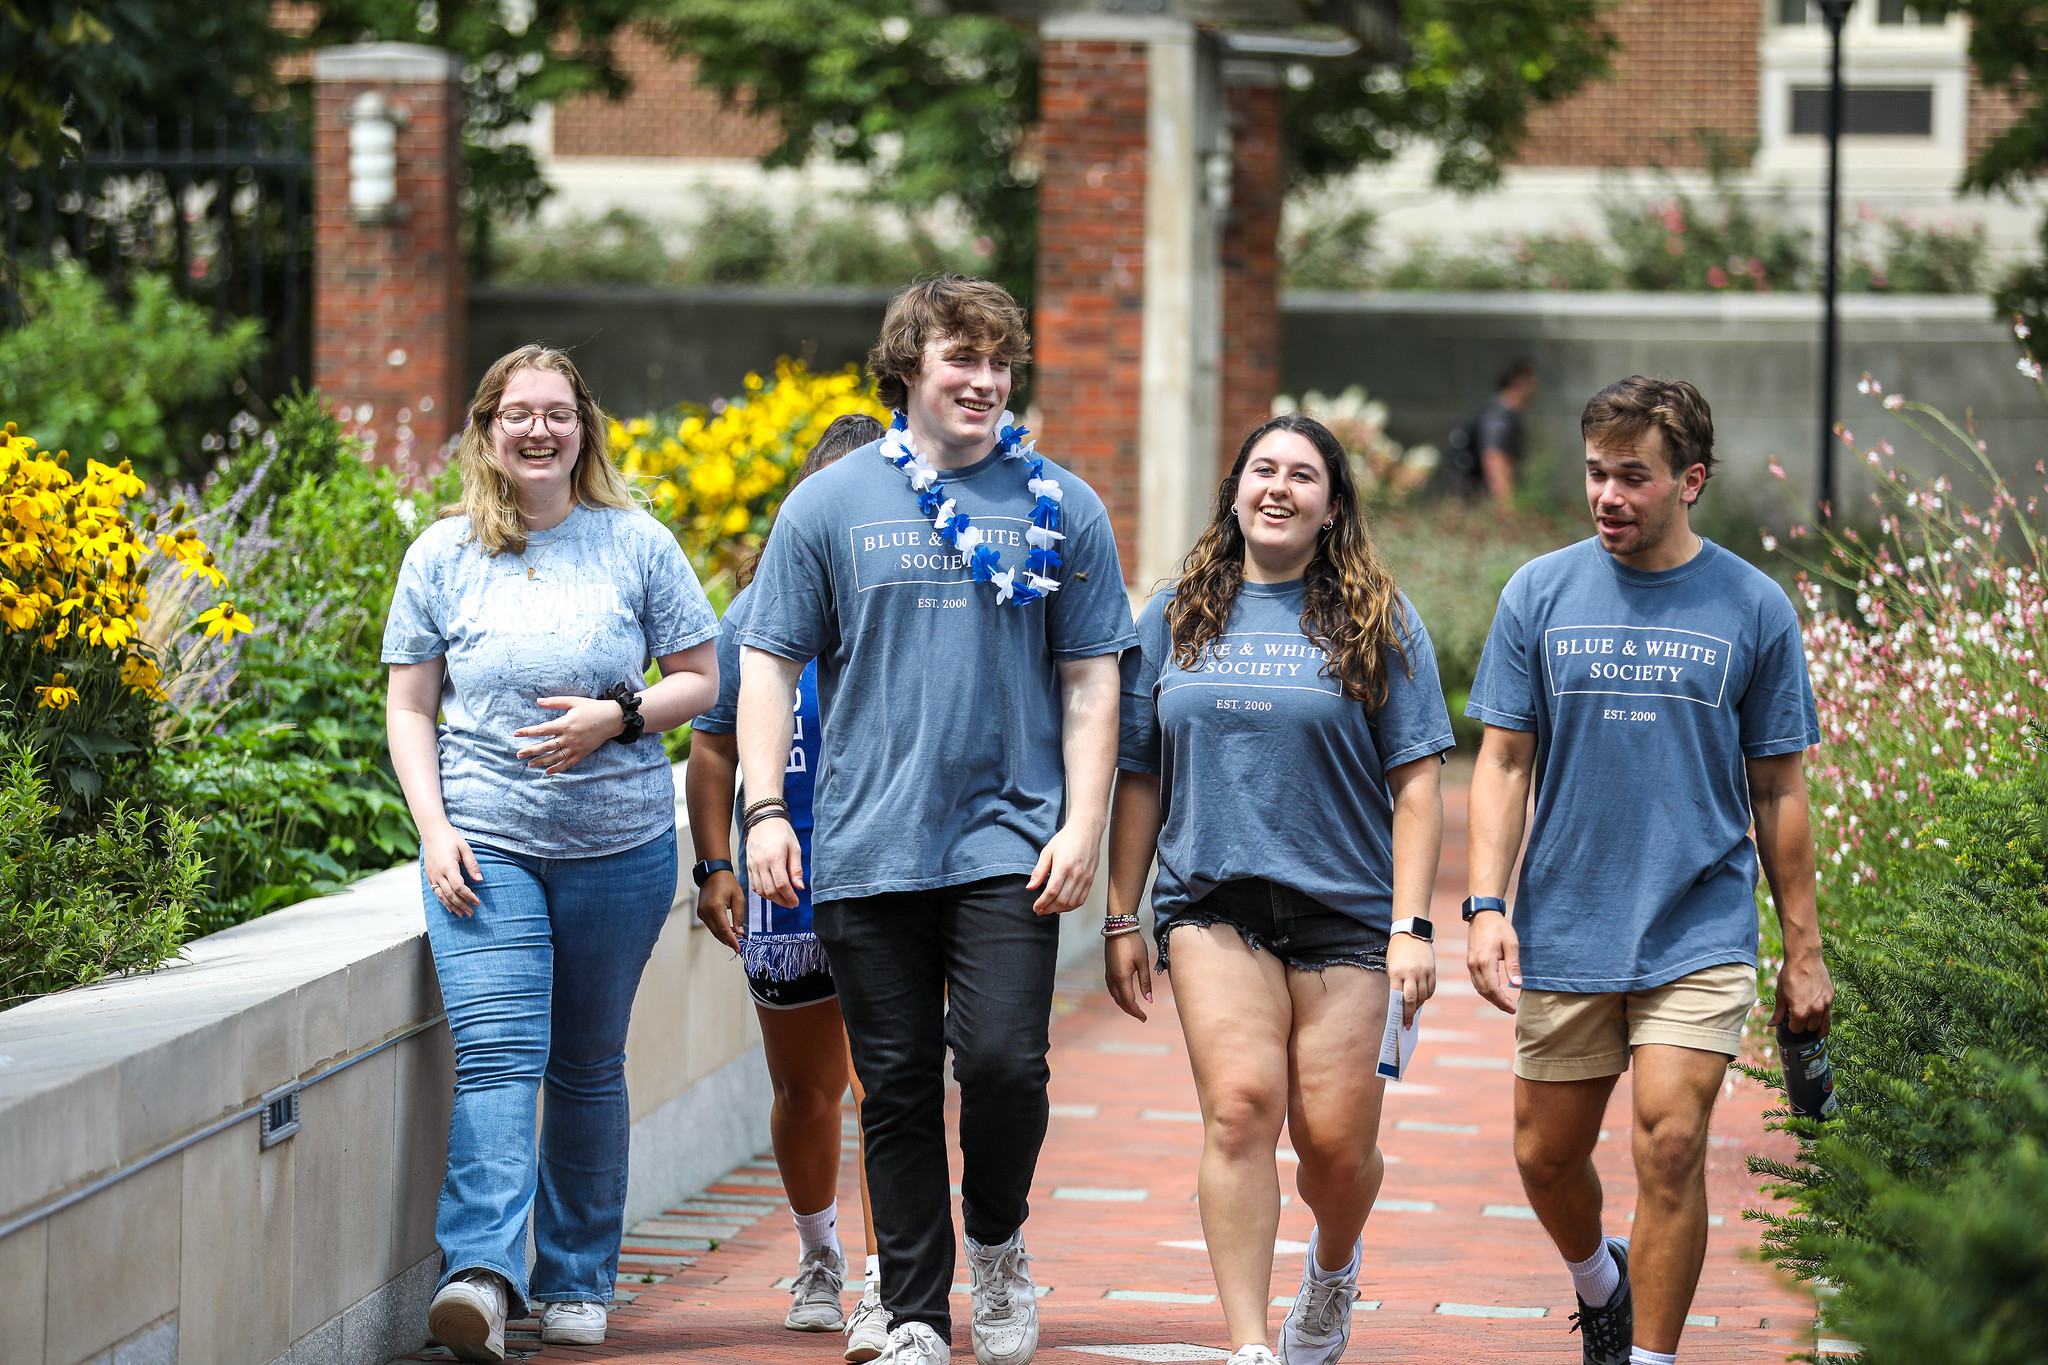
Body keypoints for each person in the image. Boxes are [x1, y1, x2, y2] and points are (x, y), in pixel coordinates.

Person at [736, 275, 1135, 1365]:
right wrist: (766, 806)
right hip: (867, 839)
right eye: (962, 359)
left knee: (1004, 1062)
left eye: (1000, 363)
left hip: (1010, 836)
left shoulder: (1061, 503)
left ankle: (997, 1241)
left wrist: (1083, 822)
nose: (986, 381)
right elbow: (766, 661)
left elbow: (1094, 679)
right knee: (898, 1082)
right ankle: (912, 1312)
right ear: (907, 367)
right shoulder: (829, 504)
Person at [1461, 376, 1834, 1365]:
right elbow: (1500, 762)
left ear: (1690, 480)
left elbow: (1778, 793)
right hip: (1567, 921)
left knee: (1669, 1143)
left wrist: (1804, 952)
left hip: (1695, 921)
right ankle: (1599, 1280)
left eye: (1632, 476)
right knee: (1544, 1157)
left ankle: (1649, 1359)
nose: (1607, 496)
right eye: (1595, 473)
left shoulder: (1751, 607)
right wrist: (1484, 904)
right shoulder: (1537, 592)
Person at [384, 344, 720, 1362]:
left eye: (558, 414)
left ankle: (577, 1279)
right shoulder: (442, 555)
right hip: (487, 849)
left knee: (584, 1067)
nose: (540, 431)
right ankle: (481, 1277)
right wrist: (435, 830)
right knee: (496, 1059)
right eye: (518, 414)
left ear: (585, 428)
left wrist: (614, 719)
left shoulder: (636, 544)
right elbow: (408, 705)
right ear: (487, 430)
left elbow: (699, 680)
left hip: (617, 849)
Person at [1105, 413, 1455, 1365]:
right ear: (1235, 489)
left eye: (1304, 476)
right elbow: (1137, 770)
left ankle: (1333, 1265)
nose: (1279, 487)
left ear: (1331, 506)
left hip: (1345, 909)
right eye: (1263, 468)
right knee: (1240, 1108)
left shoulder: (1376, 614)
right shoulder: (1176, 611)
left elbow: (1417, 781)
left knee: (1336, 1148)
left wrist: (1413, 927)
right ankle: (1251, 1344)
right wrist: (1122, 911)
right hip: (1212, 903)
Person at [687, 412, 891, 1363]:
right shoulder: (756, 614)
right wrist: (715, 863)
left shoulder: (920, 598)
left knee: (892, 1085)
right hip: (786, 888)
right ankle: (819, 1256)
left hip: (900, 878)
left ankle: (900, 1277)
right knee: (805, 1089)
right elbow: (713, 747)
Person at [1447, 358, 1536, 509]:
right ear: (1517, 381)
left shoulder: (1498, 412)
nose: (1535, 387)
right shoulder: (1499, 417)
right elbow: (1494, 457)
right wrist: (1506, 507)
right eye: (1532, 381)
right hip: (1475, 501)